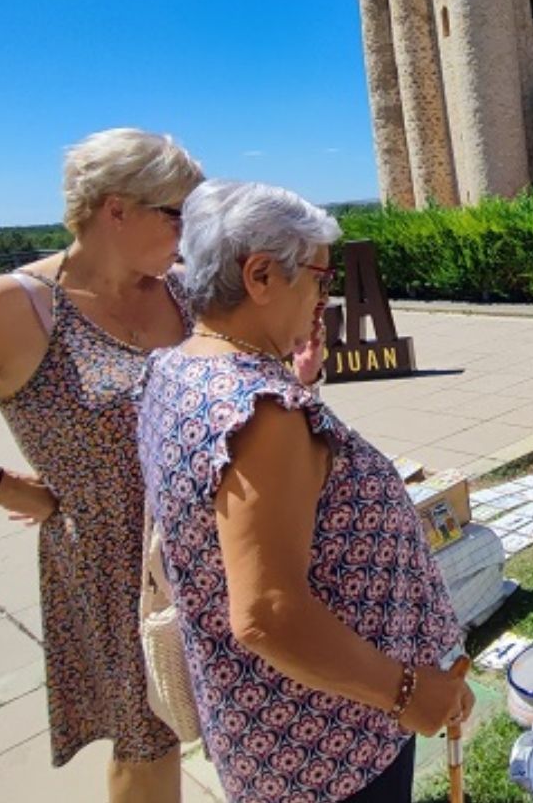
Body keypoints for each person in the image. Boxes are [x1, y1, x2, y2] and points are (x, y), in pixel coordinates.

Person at [137, 180, 472, 803]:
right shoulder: (261, 413)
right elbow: (268, 614)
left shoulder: (178, 366)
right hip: (330, 746)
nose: (325, 296)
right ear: (261, 275)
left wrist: (299, 386)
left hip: (273, 733)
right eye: (319, 277)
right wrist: (408, 692)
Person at [0, 128, 204, 802]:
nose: (191, 229)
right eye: (177, 213)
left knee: (226, 714)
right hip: (110, 566)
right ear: (115, 209)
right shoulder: (17, 308)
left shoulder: (181, 290)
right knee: (146, 743)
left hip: (205, 546)